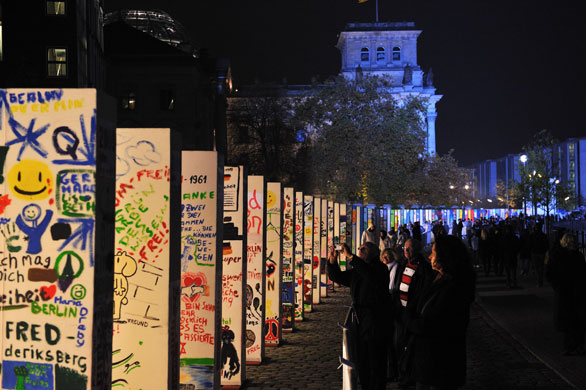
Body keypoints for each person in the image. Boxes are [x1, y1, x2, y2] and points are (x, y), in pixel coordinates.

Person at [404, 235, 475, 390]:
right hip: (427, 361)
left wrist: (409, 321)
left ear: (445, 256)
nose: (429, 256)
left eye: (434, 253)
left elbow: (430, 324)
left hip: (440, 362)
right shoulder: (435, 278)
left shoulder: (453, 288)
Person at [328, 242, 389, 390]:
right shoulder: (358, 270)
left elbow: (371, 277)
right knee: (362, 362)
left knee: (376, 362)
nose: (359, 251)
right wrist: (332, 261)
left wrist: (351, 257)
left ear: (374, 253)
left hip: (376, 320)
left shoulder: (380, 268)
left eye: (363, 249)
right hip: (360, 321)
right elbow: (339, 277)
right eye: (359, 249)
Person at [395, 238, 433, 388]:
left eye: (409, 249)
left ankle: (408, 377)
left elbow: (421, 292)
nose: (406, 251)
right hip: (401, 312)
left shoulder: (422, 268)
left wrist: (411, 311)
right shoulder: (403, 264)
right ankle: (402, 374)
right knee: (399, 344)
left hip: (412, 314)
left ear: (416, 249)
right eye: (404, 248)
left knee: (410, 347)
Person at [546, 232, 586, 356]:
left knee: (573, 320)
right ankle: (573, 345)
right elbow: (550, 273)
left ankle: (574, 345)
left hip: (571, 292)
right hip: (569, 291)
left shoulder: (570, 256)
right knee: (572, 320)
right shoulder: (564, 256)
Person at [381, 247, 405, 382]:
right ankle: (392, 370)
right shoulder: (385, 268)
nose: (385, 258)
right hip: (389, 308)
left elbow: (391, 288)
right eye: (383, 255)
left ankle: (395, 371)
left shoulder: (395, 268)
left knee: (394, 341)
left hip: (393, 309)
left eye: (387, 256)